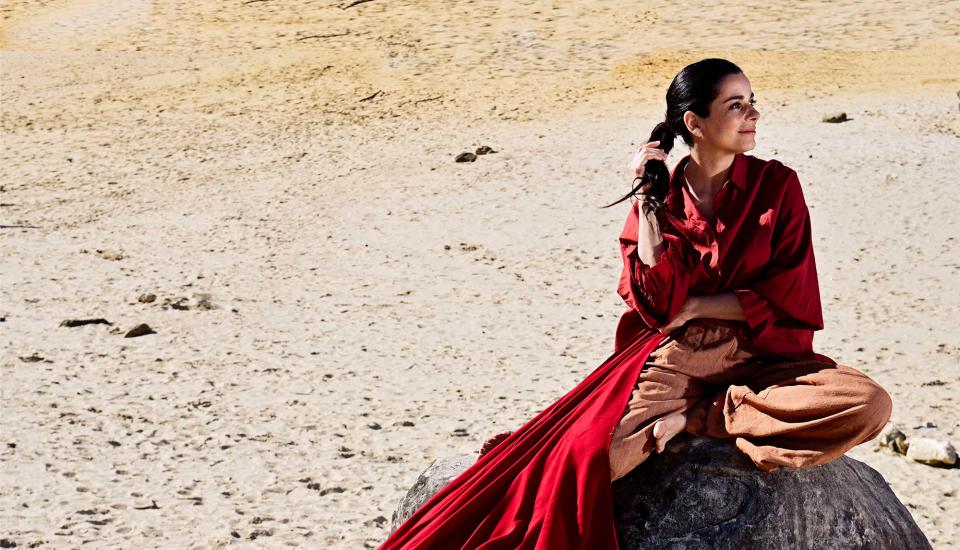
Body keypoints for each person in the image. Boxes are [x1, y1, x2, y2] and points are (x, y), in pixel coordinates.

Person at [380, 58, 892, 550]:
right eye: (736, 105)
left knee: (868, 403)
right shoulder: (662, 200)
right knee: (587, 460)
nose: (754, 114)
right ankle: (690, 411)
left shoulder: (777, 185)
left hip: (764, 356)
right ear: (694, 122)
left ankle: (701, 417)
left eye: (751, 101)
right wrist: (647, 200)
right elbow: (660, 305)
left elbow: (790, 296)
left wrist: (698, 307)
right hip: (680, 359)